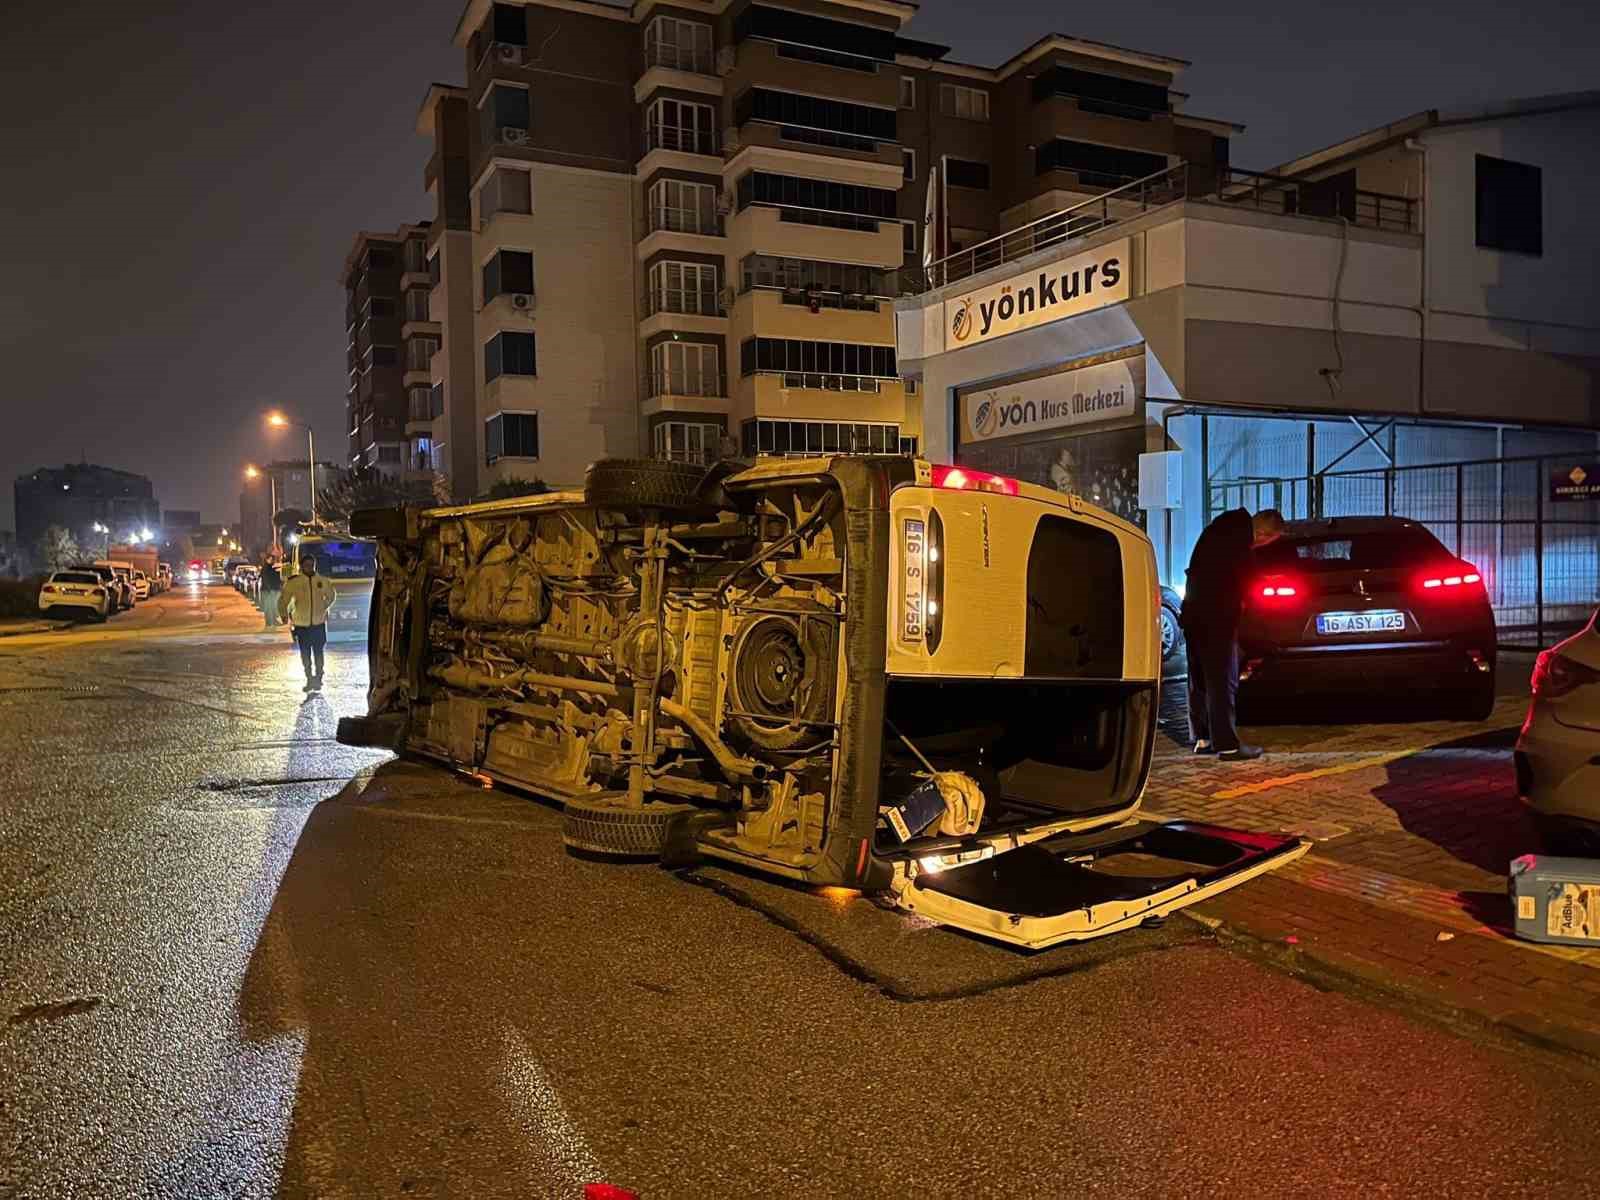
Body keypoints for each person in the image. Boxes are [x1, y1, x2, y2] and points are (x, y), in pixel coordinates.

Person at [1179, 507, 1285, 762]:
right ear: (1263, 534)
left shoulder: (1220, 527)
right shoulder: (1239, 540)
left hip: (1193, 613)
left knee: (1200, 678)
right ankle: (1227, 744)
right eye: (1266, 542)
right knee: (1221, 679)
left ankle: (1203, 738)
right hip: (1217, 619)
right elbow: (1248, 579)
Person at [278, 556, 337, 692]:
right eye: (306, 565)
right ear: (301, 566)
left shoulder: (322, 581)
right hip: (302, 625)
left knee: (318, 653)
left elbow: (331, 596)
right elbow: (283, 599)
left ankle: (319, 678)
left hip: (318, 624)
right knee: (305, 655)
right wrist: (283, 614)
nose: (309, 567)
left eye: (312, 565)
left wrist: (323, 607)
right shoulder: (295, 582)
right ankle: (309, 678)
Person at [258, 558, 284, 629]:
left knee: (273, 607)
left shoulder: (272, 567)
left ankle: (273, 621)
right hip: (268, 591)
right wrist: (270, 589)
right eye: (271, 559)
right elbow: (266, 579)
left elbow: (277, 578)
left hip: (273, 589)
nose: (273, 560)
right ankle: (269, 623)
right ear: (267, 559)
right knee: (268, 607)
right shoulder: (266, 568)